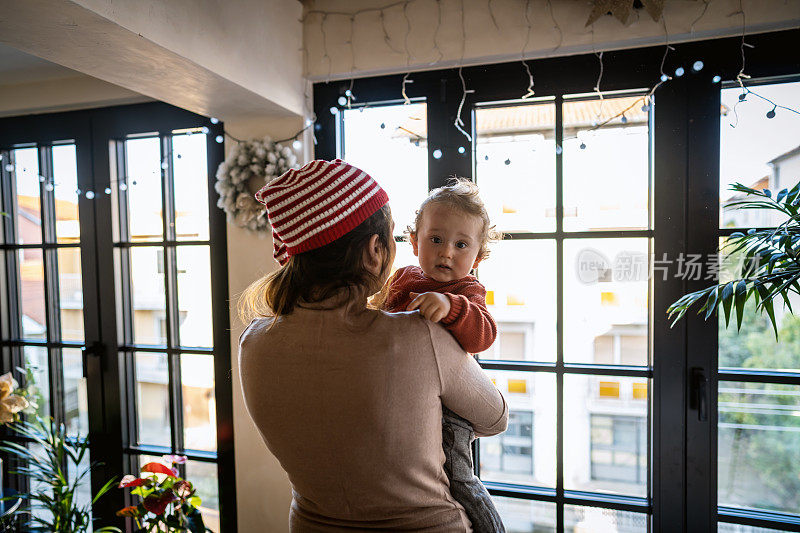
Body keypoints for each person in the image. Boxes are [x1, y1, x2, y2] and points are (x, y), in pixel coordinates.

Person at [238, 159, 509, 532]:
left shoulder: (252, 343)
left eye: (461, 244)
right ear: (374, 250)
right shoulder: (419, 335)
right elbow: (495, 416)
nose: (446, 252)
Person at [373, 179, 505, 533]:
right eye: (436, 239)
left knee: (459, 480)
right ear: (414, 241)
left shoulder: (467, 290)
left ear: (477, 256)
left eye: (461, 244)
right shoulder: (402, 280)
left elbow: (484, 334)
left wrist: (451, 307)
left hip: (452, 409)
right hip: (405, 399)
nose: (447, 252)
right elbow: (379, 322)